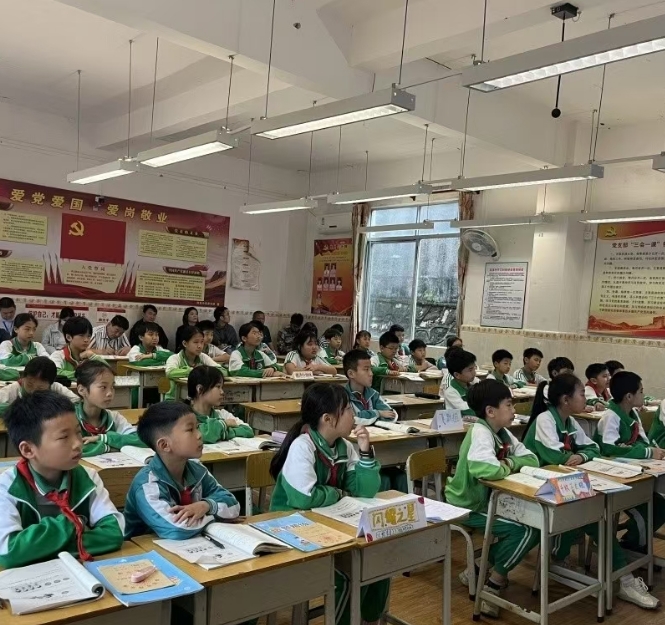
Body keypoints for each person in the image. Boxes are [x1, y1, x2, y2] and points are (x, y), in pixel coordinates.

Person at [524, 373, 659, 608]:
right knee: (594, 517)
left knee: (597, 517)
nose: (585, 397)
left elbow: (593, 448)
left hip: (565, 486)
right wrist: (577, 456)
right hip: (538, 490)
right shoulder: (545, 420)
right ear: (566, 400)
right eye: (581, 394)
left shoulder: (569, 421)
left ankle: (622, 578)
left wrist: (581, 456)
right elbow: (556, 457)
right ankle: (623, 579)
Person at [269, 384, 388, 625]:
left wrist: (365, 452)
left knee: (377, 561)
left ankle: (368, 619)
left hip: (329, 523)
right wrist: (339, 493)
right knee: (346, 576)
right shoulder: (303, 446)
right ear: (328, 419)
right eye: (348, 410)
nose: (354, 415)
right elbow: (304, 498)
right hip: (290, 528)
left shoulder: (344, 447)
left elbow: (365, 491)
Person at [445, 380, 539, 617]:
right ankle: (493, 585)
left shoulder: (502, 433)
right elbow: (485, 470)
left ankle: (477, 568)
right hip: (468, 504)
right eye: (508, 405)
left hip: (490, 501)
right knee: (524, 531)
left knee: (536, 523)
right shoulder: (480, 432)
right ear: (490, 411)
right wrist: (509, 465)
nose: (514, 410)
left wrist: (508, 462)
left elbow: (532, 459)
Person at [0, 391, 124, 568]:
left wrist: (35, 549)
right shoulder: (7, 486)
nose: (78, 444)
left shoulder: (88, 477)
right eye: (64, 437)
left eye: (78, 433)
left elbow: (114, 534)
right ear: (28, 450)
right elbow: (9, 553)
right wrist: (74, 523)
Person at [124, 401, 240, 539]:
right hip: (145, 548)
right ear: (164, 445)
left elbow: (233, 504)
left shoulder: (197, 470)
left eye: (198, 427)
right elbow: (177, 529)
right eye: (190, 430)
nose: (199, 435)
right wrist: (216, 516)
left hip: (190, 543)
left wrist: (206, 505)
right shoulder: (147, 485)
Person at [595, 371, 665, 553]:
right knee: (647, 511)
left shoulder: (632, 414)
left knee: (661, 506)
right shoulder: (610, 417)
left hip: (634, 476)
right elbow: (610, 449)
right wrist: (646, 452)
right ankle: (634, 547)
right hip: (613, 481)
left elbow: (642, 441)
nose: (643, 394)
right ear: (628, 396)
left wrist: (652, 452)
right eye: (641, 391)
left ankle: (634, 541)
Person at [75, 360, 144, 456]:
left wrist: (105, 438)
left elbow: (141, 440)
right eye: (103, 387)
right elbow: (71, 448)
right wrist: (109, 448)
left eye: (112, 387)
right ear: (82, 390)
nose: (110, 393)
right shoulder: (70, 418)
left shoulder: (114, 417)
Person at [185, 366, 253, 443]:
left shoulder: (222, 414)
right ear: (200, 389)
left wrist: (223, 432)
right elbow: (201, 435)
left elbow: (248, 430)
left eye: (222, 387)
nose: (222, 392)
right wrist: (224, 424)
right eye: (218, 387)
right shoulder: (184, 417)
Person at [0, 356, 79, 414]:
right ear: (23, 377)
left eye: (40, 388)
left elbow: (77, 403)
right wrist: (18, 409)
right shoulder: (14, 389)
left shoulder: (56, 388)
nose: (33, 391)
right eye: (29, 384)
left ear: (50, 384)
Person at [343, 350, 397, 427]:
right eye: (366, 369)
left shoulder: (373, 394)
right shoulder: (342, 396)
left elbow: (392, 415)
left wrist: (369, 418)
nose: (371, 374)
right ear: (351, 374)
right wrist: (378, 413)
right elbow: (352, 419)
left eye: (371, 369)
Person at [164, 326, 220, 401]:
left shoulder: (203, 356)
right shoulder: (175, 358)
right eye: (196, 342)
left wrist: (207, 372)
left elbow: (221, 370)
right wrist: (192, 371)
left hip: (197, 398)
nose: (200, 346)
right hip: (174, 400)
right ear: (185, 343)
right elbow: (170, 373)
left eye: (202, 342)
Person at [443, 348, 477, 417]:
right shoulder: (451, 392)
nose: (474, 372)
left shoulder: (474, 382)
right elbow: (467, 411)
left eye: (474, 368)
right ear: (457, 375)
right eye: (470, 370)